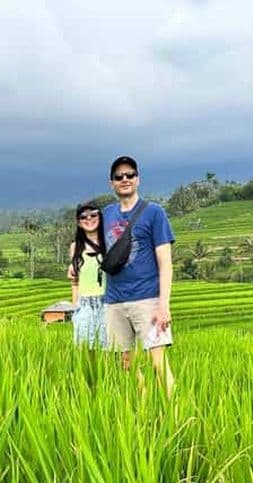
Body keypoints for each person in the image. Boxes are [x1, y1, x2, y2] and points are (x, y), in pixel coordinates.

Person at [102, 155, 175, 396]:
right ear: (111, 182)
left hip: (147, 299)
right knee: (125, 365)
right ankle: (143, 414)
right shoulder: (106, 215)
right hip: (114, 301)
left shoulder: (154, 212)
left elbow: (165, 261)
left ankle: (175, 416)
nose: (125, 179)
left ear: (138, 179)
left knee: (158, 364)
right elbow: (90, 246)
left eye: (130, 175)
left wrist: (163, 305)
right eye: (119, 176)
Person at [69, 201, 107, 349]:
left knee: (110, 350)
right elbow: (75, 281)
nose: (89, 219)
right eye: (83, 217)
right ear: (79, 223)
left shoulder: (109, 243)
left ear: (100, 217)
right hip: (85, 305)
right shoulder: (75, 247)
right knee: (86, 350)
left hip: (107, 303)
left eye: (93, 215)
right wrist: (75, 308)